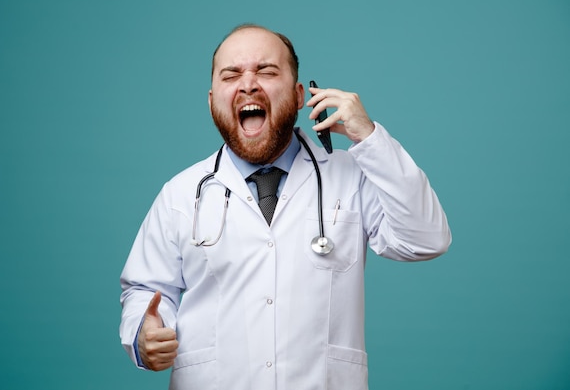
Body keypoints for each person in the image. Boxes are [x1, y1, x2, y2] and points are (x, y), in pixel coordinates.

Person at [119, 24, 451, 390]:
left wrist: (368, 137)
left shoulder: (350, 176)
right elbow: (145, 290)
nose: (248, 84)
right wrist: (143, 333)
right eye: (232, 75)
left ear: (298, 96)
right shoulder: (182, 194)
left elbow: (426, 240)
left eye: (266, 71)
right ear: (212, 99)